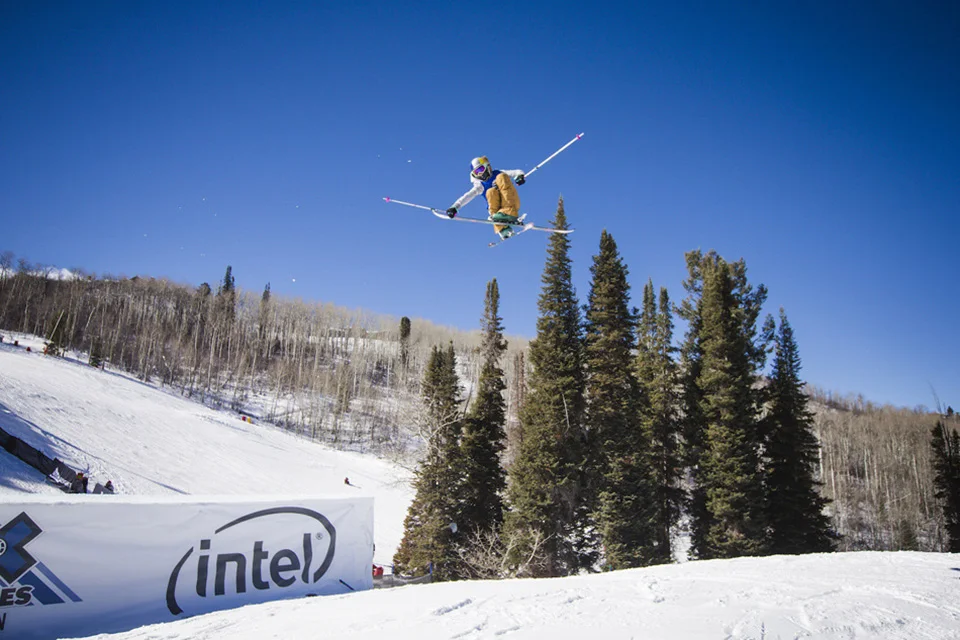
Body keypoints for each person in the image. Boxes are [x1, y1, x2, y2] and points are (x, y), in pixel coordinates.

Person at [446, 156, 526, 240]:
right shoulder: (480, 186)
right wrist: (455, 207)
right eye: (476, 172)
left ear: (487, 166)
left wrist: (520, 176)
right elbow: (468, 196)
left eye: (480, 169)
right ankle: (502, 229)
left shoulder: (498, 173)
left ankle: (509, 213)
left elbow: (517, 172)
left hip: (510, 203)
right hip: (497, 211)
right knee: (490, 192)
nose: (480, 174)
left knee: (501, 177)